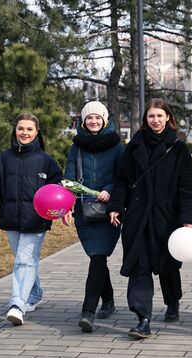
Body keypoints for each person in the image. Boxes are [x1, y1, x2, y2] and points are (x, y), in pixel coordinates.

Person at [108, 98, 192, 339]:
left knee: (168, 266)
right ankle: (143, 318)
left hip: (167, 219)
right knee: (140, 265)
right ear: (145, 119)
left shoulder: (178, 148)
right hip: (138, 219)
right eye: (151, 116)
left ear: (168, 117)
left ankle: (172, 301)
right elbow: (122, 181)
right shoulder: (134, 146)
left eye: (159, 116)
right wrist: (116, 205)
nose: (155, 120)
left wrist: (187, 219)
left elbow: (187, 188)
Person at [0, 113, 63, 326]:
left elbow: (58, 189)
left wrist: (62, 210)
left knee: (24, 261)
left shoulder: (46, 161)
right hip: (11, 218)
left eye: (29, 129)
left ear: (37, 133)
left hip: (36, 220)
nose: (24, 133)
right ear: (14, 130)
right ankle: (34, 294)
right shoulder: (2, 159)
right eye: (20, 128)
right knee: (24, 260)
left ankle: (17, 305)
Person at [63, 101, 124, 333]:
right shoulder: (76, 147)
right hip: (83, 211)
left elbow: (123, 177)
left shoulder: (118, 147)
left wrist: (109, 188)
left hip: (109, 211)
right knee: (96, 257)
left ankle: (88, 312)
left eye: (98, 118)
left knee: (98, 257)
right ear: (83, 121)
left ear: (105, 120)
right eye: (90, 118)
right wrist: (66, 206)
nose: (94, 121)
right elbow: (69, 177)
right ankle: (108, 300)